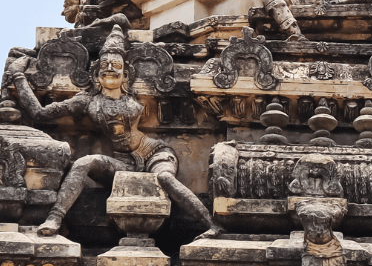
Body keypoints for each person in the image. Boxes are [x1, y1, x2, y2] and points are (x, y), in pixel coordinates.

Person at [8, 24, 219, 238]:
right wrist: (18, 77)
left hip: (154, 153)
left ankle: (212, 224)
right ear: (96, 74)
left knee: (164, 177)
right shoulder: (87, 100)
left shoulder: (133, 95)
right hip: (123, 162)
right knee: (84, 163)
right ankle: (54, 217)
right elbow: (39, 113)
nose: (110, 67)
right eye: (105, 64)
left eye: (116, 64)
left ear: (125, 74)